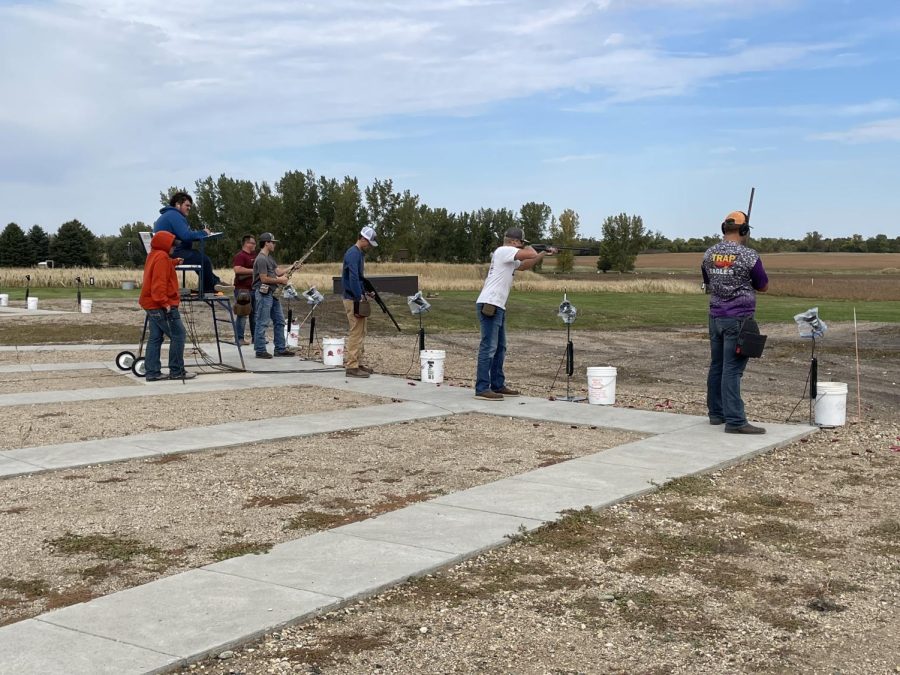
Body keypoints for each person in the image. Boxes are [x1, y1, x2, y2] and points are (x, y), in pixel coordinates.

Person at [702, 210, 769, 434]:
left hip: (715, 317)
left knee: (717, 366)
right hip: (738, 318)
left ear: (724, 229)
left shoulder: (709, 253)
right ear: (744, 230)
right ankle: (736, 421)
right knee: (733, 369)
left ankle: (716, 413)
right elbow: (763, 285)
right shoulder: (749, 255)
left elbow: (707, 281)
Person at [474, 227, 555, 400]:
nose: (521, 247)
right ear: (513, 242)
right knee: (488, 347)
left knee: (500, 348)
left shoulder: (509, 257)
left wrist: (543, 254)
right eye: (520, 243)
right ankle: (482, 388)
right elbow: (529, 254)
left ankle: (497, 385)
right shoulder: (504, 251)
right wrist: (536, 248)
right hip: (490, 303)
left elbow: (525, 266)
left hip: (498, 305)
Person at [138, 230, 197, 381]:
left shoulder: (155, 255)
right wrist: (166, 304)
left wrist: (174, 262)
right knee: (179, 335)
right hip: (161, 304)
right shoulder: (162, 257)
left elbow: (160, 268)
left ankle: (152, 372)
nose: (174, 248)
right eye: (172, 245)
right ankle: (177, 371)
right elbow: (158, 286)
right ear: (165, 245)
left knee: (156, 337)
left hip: (150, 304)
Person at [153, 192, 231, 295]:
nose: (189, 208)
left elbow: (184, 235)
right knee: (203, 260)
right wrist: (203, 232)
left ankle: (213, 284)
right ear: (177, 205)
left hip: (168, 252)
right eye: (187, 205)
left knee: (199, 257)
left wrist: (196, 234)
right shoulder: (174, 216)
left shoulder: (170, 215)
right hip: (172, 253)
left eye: (190, 206)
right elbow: (186, 235)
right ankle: (211, 287)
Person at [341, 226, 378, 378]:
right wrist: (359, 295)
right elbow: (354, 277)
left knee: (362, 331)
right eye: (368, 242)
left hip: (357, 296)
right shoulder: (352, 253)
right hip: (352, 298)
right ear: (363, 239)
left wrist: (365, 291)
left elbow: (359, 279)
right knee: (356, 332)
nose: (369, 245)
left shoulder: (359, 254)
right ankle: (351, 366)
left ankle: (358, 362)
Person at [252, 232, 296, 359]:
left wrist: (292, 266)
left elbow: (278, 271)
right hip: (263, 294)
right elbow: (264, 278)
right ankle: (260, 350)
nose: (274, 244)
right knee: (262, 321)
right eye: (273, 242)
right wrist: (280, 280)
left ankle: (280, 349)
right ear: (266, 243)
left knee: (280, 321)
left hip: (272, 294)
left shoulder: (269, 258)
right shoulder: (261, 259)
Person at [232, 233, 257, 345]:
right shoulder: (240, 256)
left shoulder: (255, 255)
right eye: (253, 243)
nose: (255, 245)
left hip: (253, 289)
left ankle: (256, 338)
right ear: (247, 243)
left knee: (254, 315)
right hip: (242, 290)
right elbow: (237, 270)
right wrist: (254, 271)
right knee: (242, 314)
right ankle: (239, 338)